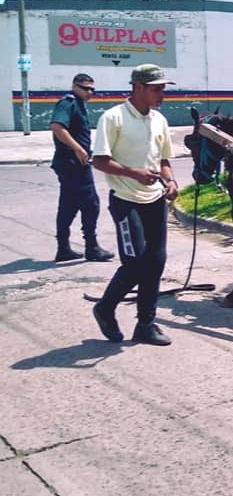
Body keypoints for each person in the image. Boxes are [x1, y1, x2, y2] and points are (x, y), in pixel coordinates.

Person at [90, 64, 179, 346]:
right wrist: (133, 173)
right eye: (157, 89)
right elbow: (99, 160)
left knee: (156, 262)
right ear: (138, 87)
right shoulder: (113, 118)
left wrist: (171, 181)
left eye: (164, 88)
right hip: (125, 200)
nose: (162, 94)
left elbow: (163, 160)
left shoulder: (159, 120)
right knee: (135, 263)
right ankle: (105, 308)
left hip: (154, 201)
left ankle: (146, 324)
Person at [49, 73, 114, 263]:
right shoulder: (68, 103)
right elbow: (57, 126)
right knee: (91, 204)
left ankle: (63, 248)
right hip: (72, 164)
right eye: (85, 88)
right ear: (74, 86)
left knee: (68, 206)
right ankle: (92, 247)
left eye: (92, 89)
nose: (90, 92)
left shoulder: (78, 104)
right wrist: (78, 149)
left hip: (72, 163)